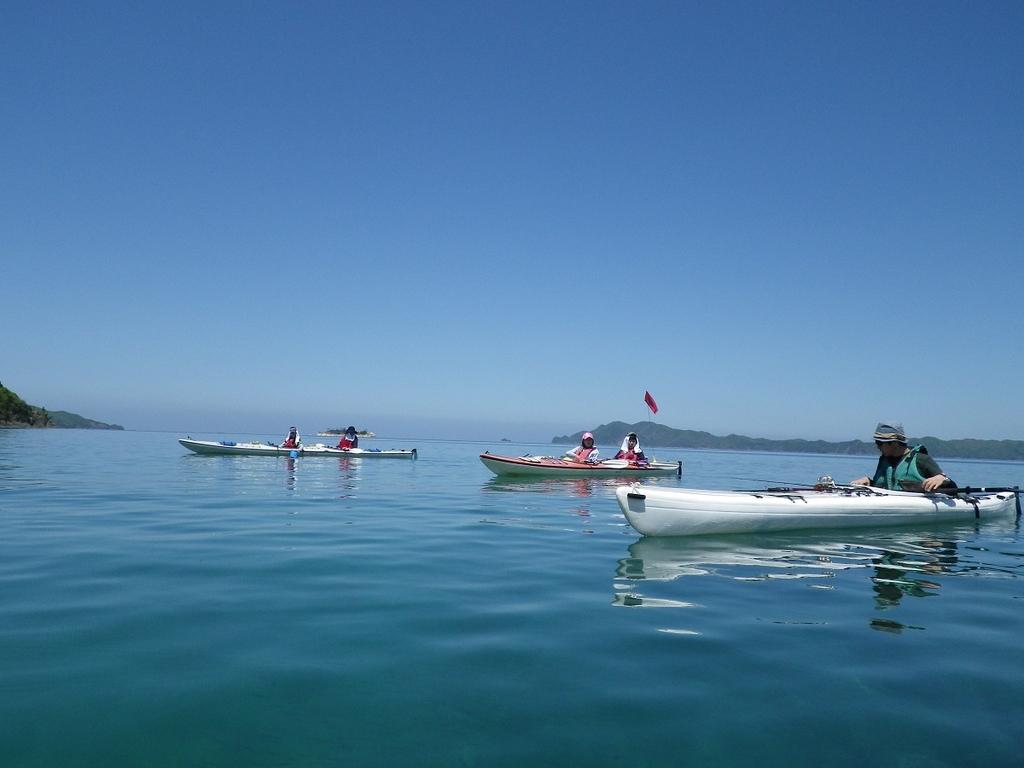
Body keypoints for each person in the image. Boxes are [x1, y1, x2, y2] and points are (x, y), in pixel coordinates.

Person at [850, 422, 954, 492]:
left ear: (895, 443)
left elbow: (952, 487)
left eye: (880, 443)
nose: (877, 446)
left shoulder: (922, 459)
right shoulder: (884, 460)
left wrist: (942, 478)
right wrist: (870, 482)